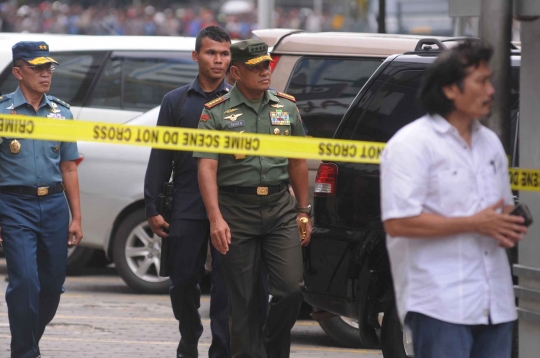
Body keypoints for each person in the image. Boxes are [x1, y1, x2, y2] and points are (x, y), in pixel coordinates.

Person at [380, 39, 528, 358]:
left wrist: (506, 224)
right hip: (440, 303)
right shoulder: (412, 145)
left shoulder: (489, 144)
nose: (491, 91)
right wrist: (476, 223)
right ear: (450, 89)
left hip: (495, 301)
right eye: (482, 82)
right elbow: (398, 222)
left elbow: (499, 208)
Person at [194, 38, 311, 358]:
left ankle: (271, 347)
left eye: (267, 65)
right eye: (256, 67)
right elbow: (206, 167)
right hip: (236, 210)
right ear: (235, 72)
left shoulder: (286, 107)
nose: (265, 71)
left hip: (279, 208)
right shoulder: (216, 113)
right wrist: (215, 218)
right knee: (244, 301)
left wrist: (304, 210)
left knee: (290, 289)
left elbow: (298, 161)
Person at [143, 26, 232, 358]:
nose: (218, 60)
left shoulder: (238, 100)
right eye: (211, 53)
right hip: (187, 204)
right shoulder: (176, 101)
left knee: (226, 286)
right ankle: (190, 332)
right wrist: (152, 205)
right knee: (181, 281)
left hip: (230, 207)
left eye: (224, 54)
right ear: (196, 56)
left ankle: (221, 348)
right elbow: (160, 156)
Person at [0, 41, 83, 358]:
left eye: (48, 67)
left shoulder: (61, 113)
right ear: (19, 72)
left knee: (51, 287)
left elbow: (68, 168)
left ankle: (28, 339)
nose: (45, 73)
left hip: (54, 207)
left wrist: (76, 217)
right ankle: (25, 351)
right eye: (37, 67)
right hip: (14, 205)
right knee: (25, 283)